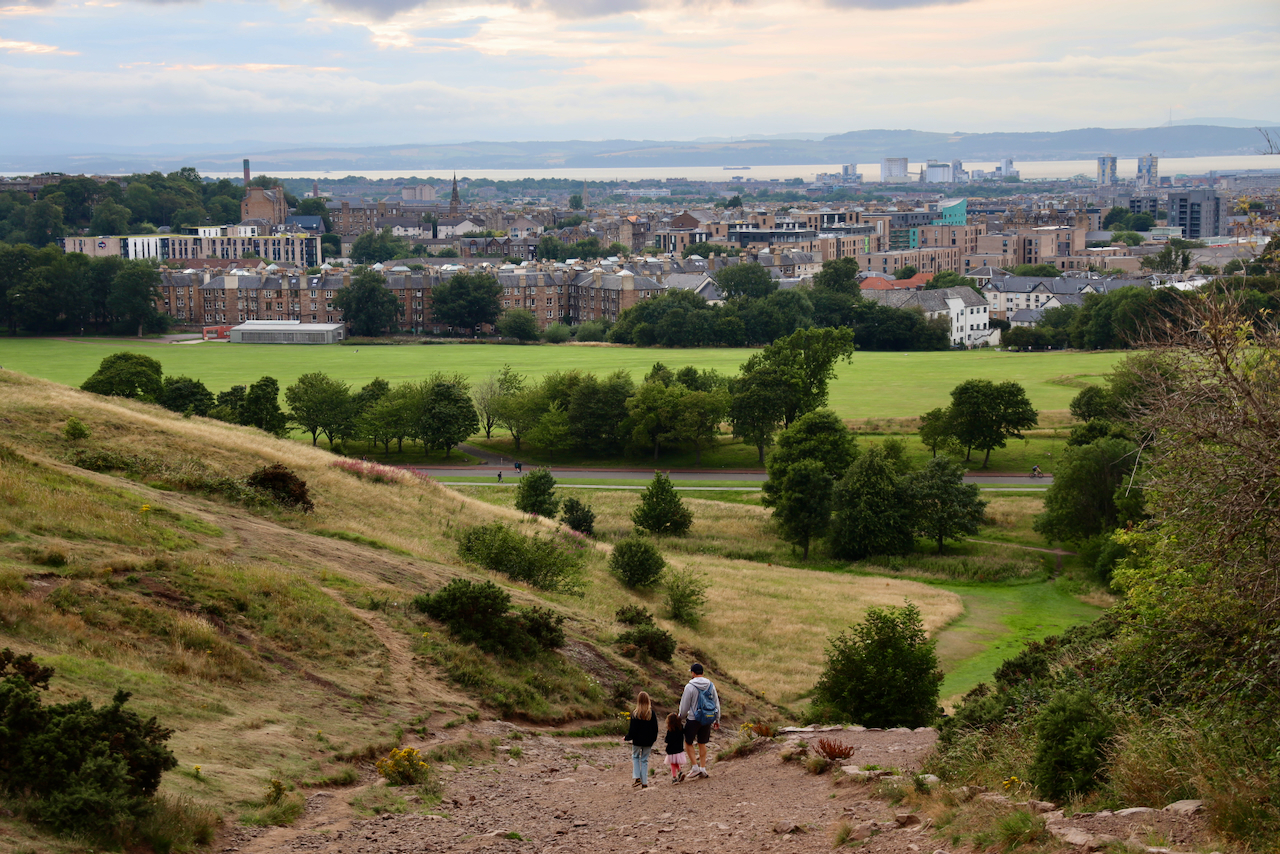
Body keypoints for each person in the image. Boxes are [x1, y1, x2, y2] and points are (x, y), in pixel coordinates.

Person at [677, 662, 720, 780]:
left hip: (693, 718)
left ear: (693, 673)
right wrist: (717, 719)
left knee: (688, 742)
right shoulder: (711, 685)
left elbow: (684, 706)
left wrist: (680, 717)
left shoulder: (689, 686)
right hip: (707, 718)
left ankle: (695, 767)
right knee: (702, 742)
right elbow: (716, 703)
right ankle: (703, 768)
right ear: (703, 673)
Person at [622, 690, 658, 788]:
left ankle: (637, 777)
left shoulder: (635, 714)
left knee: (635, 757)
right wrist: (653, 739)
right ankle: (644, 782)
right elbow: (655, 729)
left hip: (637, 741)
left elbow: (632, 730)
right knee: (644, 760)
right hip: (648, 741)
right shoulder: (652, 714)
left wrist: (627, 737)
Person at [662, 712, 686, 784]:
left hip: (671, 750)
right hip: (679, 749)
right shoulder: (681, 728)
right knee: (675, 762)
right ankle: (680, 772)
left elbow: (667, 740)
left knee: (672, 763)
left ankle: (674, 777)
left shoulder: (670, 730)